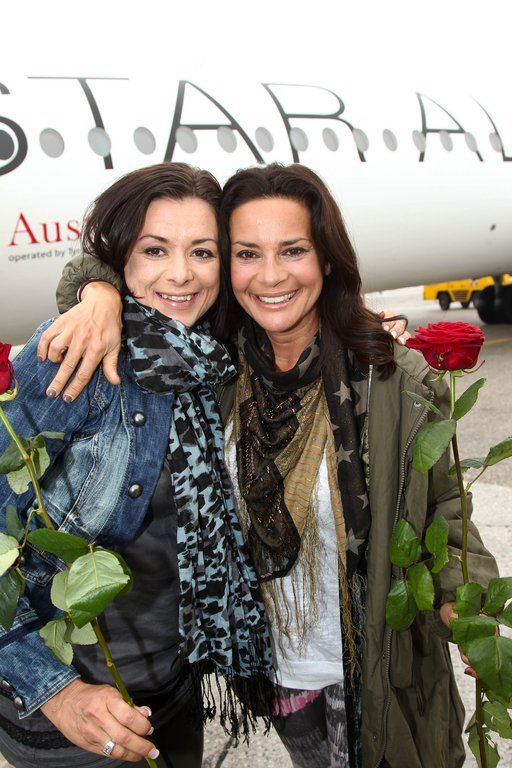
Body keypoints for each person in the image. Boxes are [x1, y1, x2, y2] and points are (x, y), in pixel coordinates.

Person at [39, 163, 498, 768]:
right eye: (247, 254)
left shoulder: (389, 378)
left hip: (377, 669)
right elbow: (130, 267)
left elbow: (444, 506)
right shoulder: (214, 367)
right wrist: (96, 293)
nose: (271, 275)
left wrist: (465, 601)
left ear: (327, 259)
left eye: (293, 250)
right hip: (278, 675)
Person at [0, 163, 274, 768]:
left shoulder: (214, 360)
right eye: (154, 250)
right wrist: (57, 693)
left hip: (174, 686)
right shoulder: (73, 355)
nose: (180, 273)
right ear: (120, 256)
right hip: (78, 710)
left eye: (202, 252)